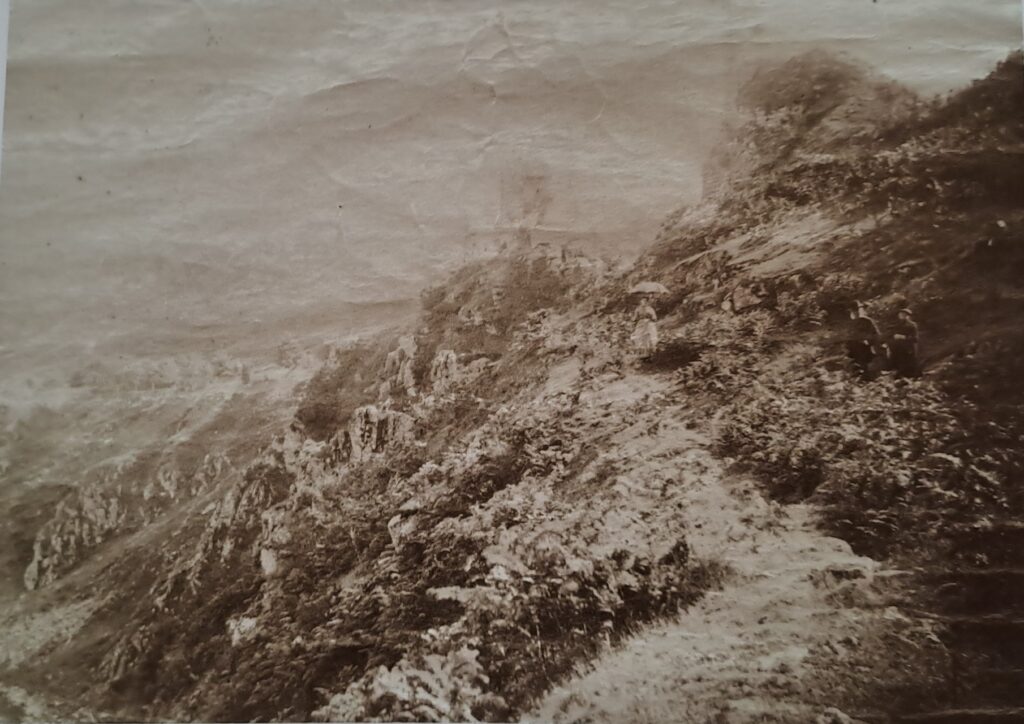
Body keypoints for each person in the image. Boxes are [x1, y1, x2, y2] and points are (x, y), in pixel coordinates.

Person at [846, 302, 880, 379]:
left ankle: (869, 376)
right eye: (853, 311)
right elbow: (848, 337)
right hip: (854, 348)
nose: (855, 313)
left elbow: (876, 334)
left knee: (868, 363)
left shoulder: (867, 321)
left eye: (857, 310)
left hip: (867, 347)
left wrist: (867, 340)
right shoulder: (851, 324)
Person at [890, 308, 920, 378]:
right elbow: (891, 336)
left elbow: (915, 339)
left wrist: (903, 337)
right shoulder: (897, 325)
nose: (902, 316)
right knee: (898, 367)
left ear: (908, 316)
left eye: (904, 314)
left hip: (908, 350)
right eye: (900, 314)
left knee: (910, 368)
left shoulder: (912, 325)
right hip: (898, 350)